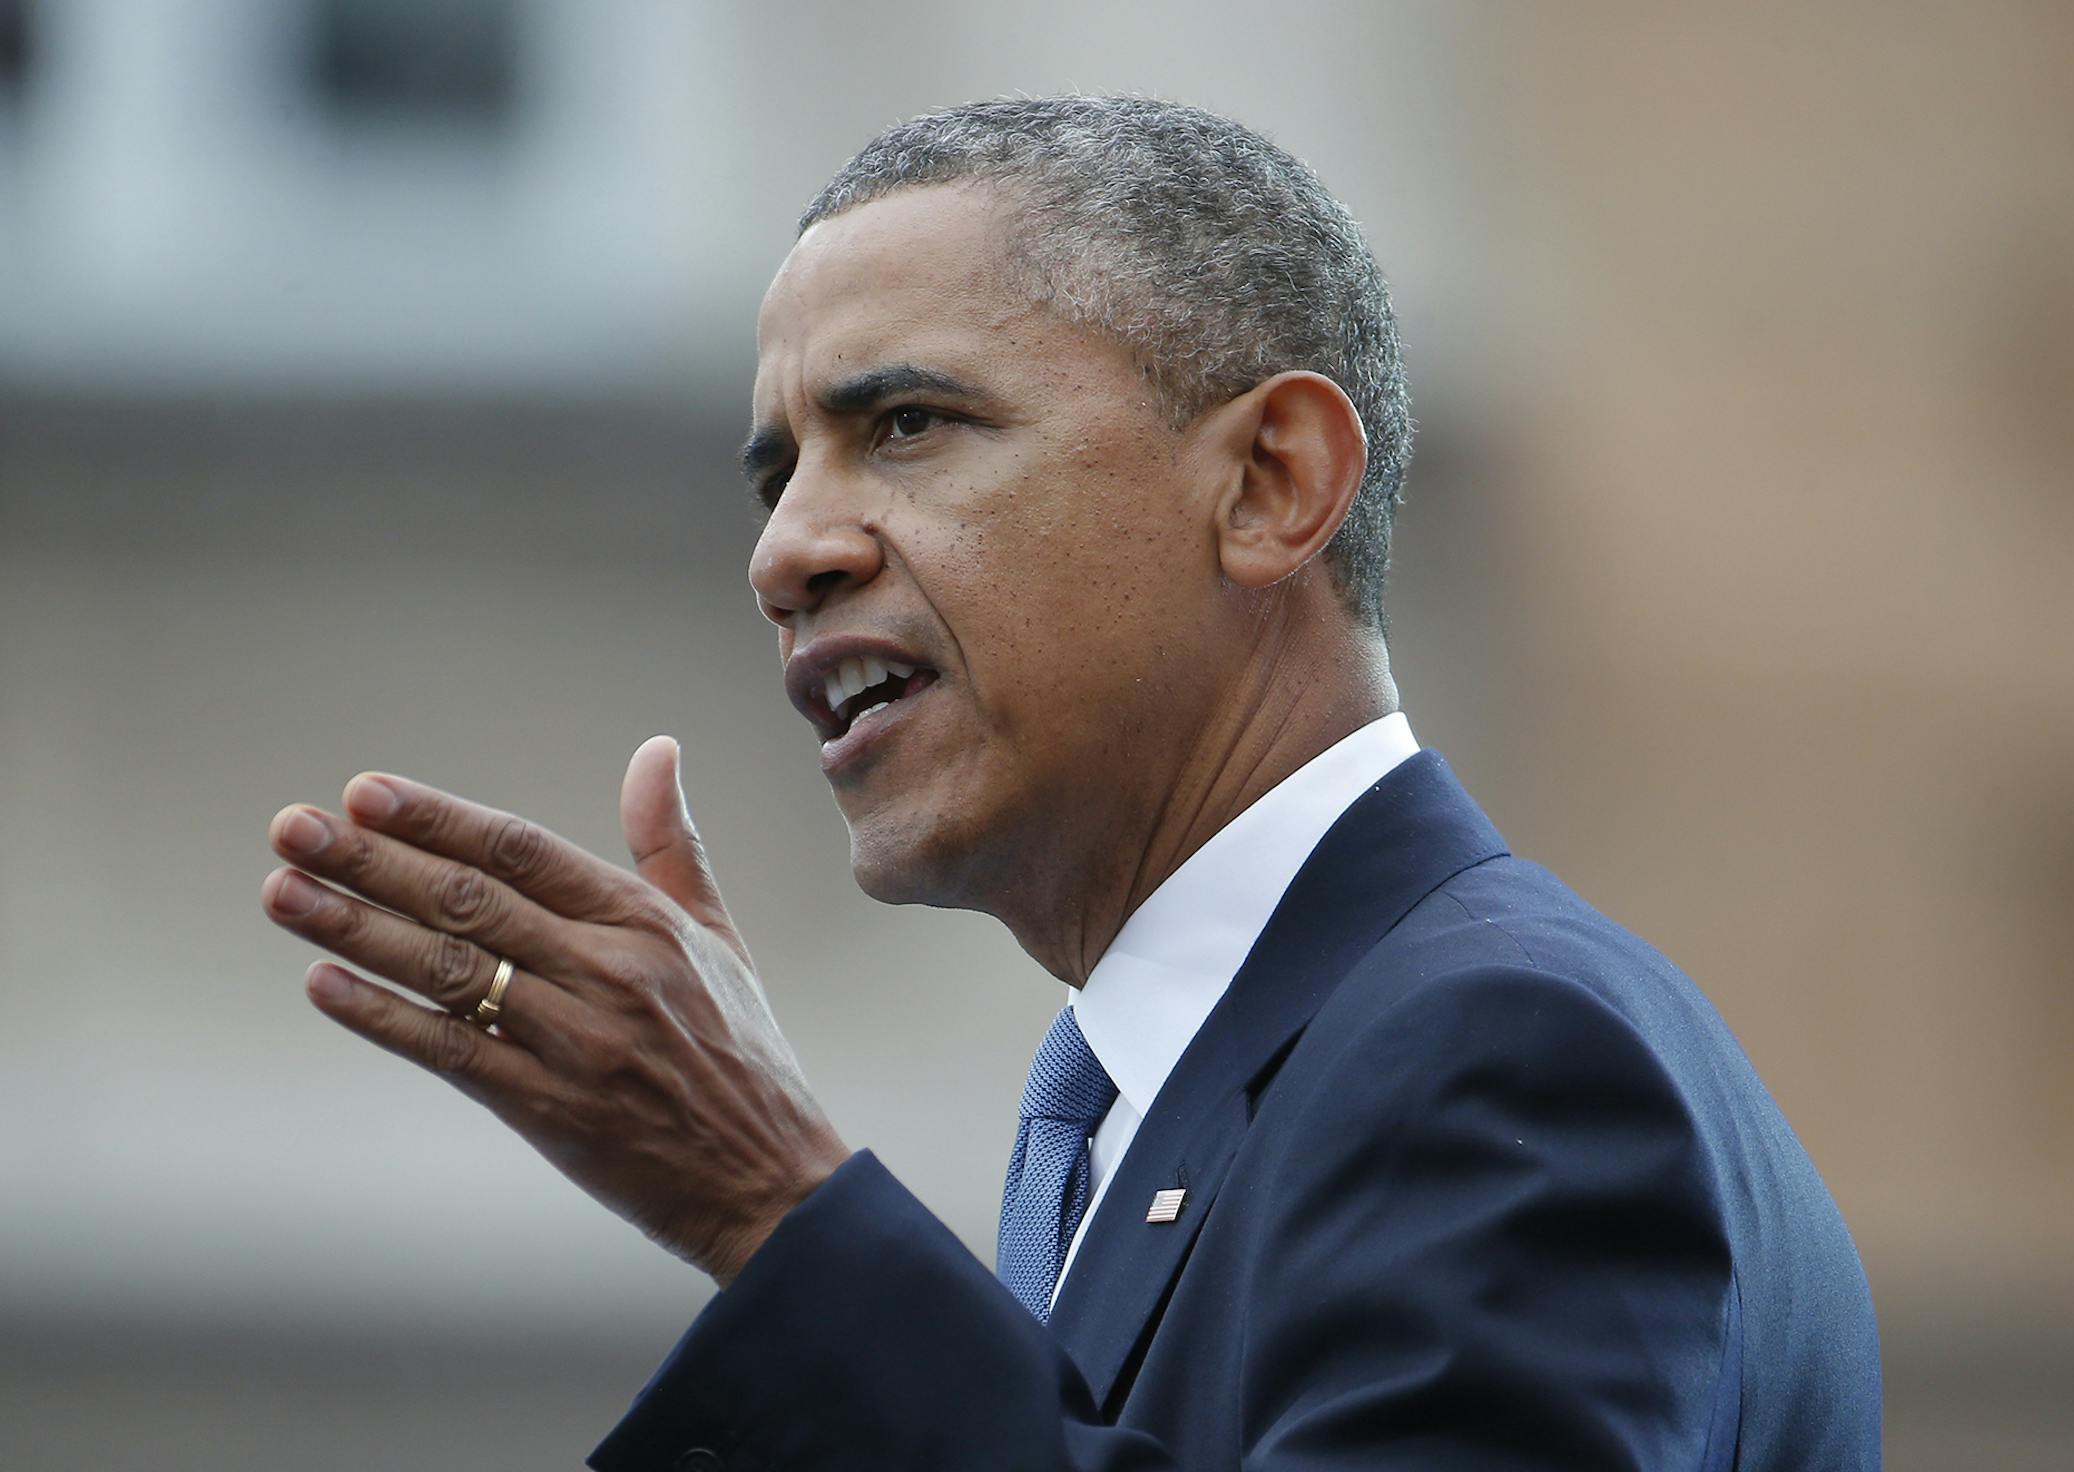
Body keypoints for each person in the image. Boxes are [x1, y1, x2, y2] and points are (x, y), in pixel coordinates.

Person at [260, 97, 1881, 1469]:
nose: (786, 551)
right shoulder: (1171, 1105)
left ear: (1269, 484)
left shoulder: (1493, 1057)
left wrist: (775, 1203)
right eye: (777, 473)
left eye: (904, 423)